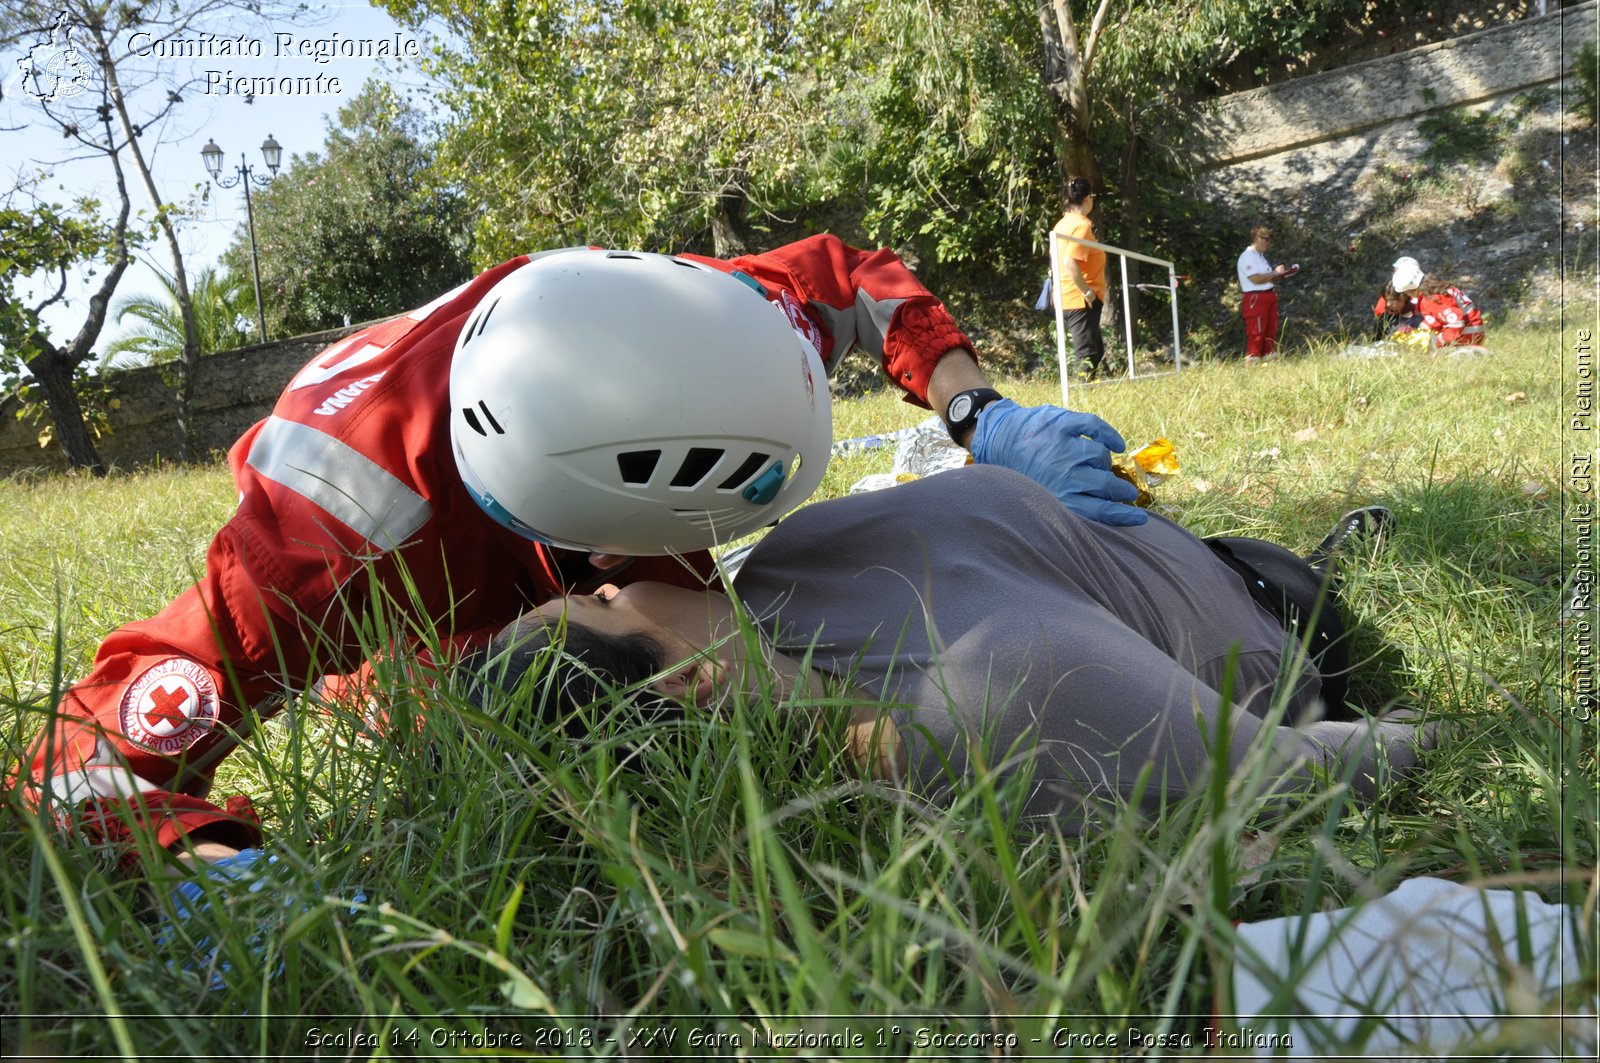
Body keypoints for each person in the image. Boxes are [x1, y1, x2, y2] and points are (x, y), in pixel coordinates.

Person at [19, 235, 1149, 872]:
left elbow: (852, 277)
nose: (688, 576)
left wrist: (976, 415)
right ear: (561, 538)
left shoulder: (702, 323)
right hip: (428, 612)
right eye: (655, 560)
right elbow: (81, 757)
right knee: (529, 736)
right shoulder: (328, 540)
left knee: (759, 695)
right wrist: (234, 879)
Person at [471, 466, 1419, 830]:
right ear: (688, 678)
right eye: (591, 606)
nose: (595, 581)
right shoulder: (1000, 699)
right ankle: (1341, 553)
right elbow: (1328, 767)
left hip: (1140, 529)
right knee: (1323, 567)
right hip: (1275, 602)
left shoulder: (774, 576)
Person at [1051, 178, 1109, 378]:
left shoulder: (1062, 224)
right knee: (1087, 354)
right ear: (1087, 199)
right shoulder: (1080, 226)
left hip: (1068, 295)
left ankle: (1099, 388)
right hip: (1081, 298)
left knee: (1095, 350)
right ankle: (1081, 395)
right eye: (1092, 196)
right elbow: (1069, 262)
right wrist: (1087, 292)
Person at [1388, 256, 1485, 347]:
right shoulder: (1433, 291)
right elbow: (1436, 320)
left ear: (1412, 289)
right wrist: (1416, 332)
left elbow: (1456, 323)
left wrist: (1436, 343)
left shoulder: (1434, 298)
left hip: (1468, 335)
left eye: (1407, 293)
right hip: (1469, 332)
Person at [1237, 226, 1289, 365]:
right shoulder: (1247, 256)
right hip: (1256, 298)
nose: (1267, 242)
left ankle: (1269, 360)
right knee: (1256, 332)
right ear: (1256, 238)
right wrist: (1274, 273)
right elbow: (1255, 279)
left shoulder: (1261, 258)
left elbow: (1266, 278)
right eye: (1264, 239)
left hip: (1268, 295)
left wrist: (1281, 274)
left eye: (1268, 239)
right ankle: (1252, 363)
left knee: (1270, 332)